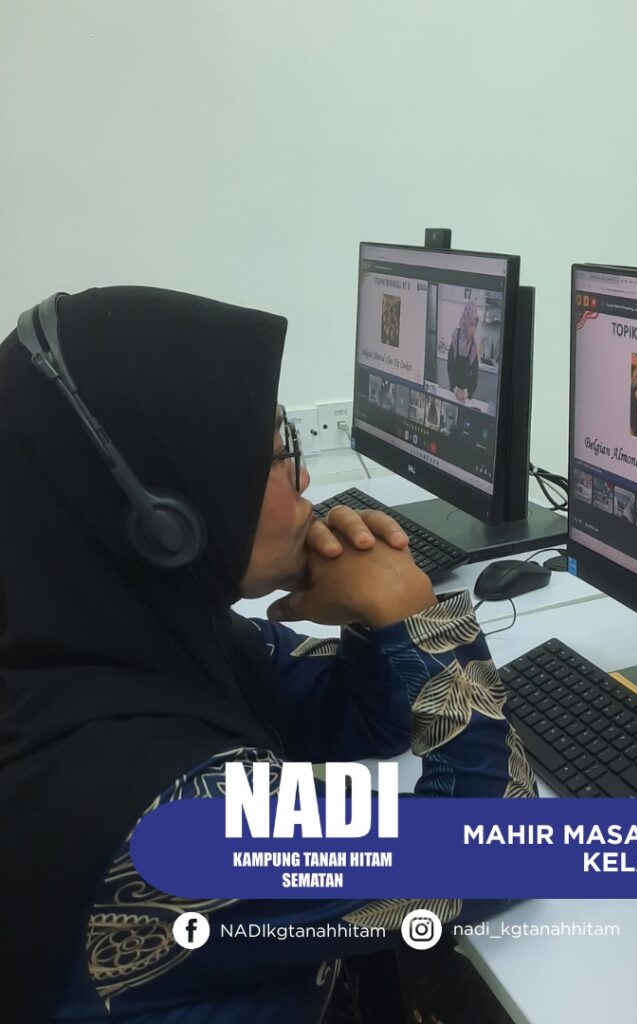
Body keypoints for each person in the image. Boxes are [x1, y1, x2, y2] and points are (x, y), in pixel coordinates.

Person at [0, 287, 535, 1023]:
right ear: (163, 517)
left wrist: (372, 615)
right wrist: (419, 614)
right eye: (278, 453)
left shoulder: (109, 634)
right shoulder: (176, 823)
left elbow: (354, 723)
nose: (304, 478)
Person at [447, 302, 480, 402]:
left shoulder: (473, 346)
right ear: (465, 322)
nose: (473, 330)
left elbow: (474, 377)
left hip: (465, 397)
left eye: (475, 326)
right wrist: (456, 389)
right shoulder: (456, 338)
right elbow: (450, 366)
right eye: (471, 325)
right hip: (453, 392)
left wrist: (465, 393)